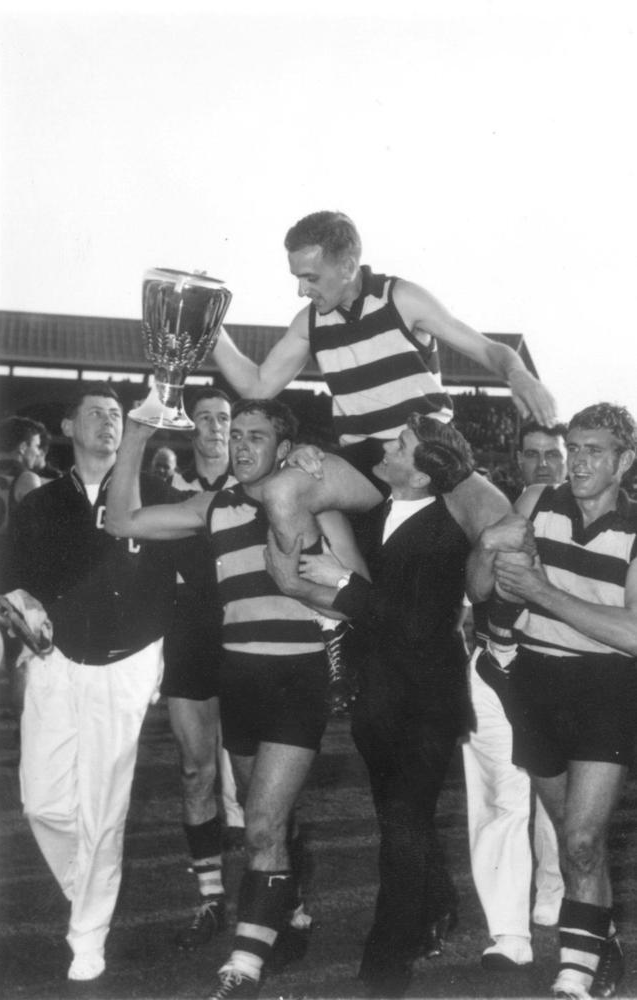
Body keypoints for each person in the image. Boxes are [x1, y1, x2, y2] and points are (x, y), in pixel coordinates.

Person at [105, 398, 368, 1000]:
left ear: (282, 448)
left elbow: (363, 598)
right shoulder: (215, 506)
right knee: (260, 819)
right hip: (239, 681)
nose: (243, 445)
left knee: (263, 826)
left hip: (297, 679)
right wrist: (137, 438)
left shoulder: (313, 502)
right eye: (238, 435)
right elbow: (122, 522)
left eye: (257, 436)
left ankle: (243, 967)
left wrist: (309, 583)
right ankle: (287, 903)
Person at [265, 415, 498, 998]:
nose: (386, 448)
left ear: (422, 473)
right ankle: (435, 905)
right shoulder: (373, 512)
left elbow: (420, 625)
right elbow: (367, 606)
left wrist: (342, 585)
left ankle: (385, 968)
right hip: (378, 700)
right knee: (398, 819)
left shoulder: (447, 530)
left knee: (403, 826)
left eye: (400, 446)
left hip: (428, 704)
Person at [211, 210, 558, 553]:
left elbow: (488, 349)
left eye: (311, 278)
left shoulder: (401, 298)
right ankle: (340, 592)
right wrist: (207, 322)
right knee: (282, 491)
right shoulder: (309, 322)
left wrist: (518, 373)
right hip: (366, 459)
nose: (301, 290)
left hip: (429, 448)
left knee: (506, 536)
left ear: (347, 267)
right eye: (298, 277)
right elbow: (257, 387)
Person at [2, 382, 177, 982]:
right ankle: (89, 890)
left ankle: (89, 935)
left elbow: (182, 584)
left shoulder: (155, 494)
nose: (108, 421)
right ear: (69, 429)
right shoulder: (40, 504)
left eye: (116, 415)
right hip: (53, 660)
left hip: (127, 660)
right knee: (43, 803)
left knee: (104, 807)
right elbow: (10, 585)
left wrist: (161, 658)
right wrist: (23, 614)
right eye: (95, 414)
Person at [468, 402, 637, 1000]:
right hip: (535, 683)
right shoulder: (537, 502)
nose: (581, 460)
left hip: (607, 690)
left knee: (586, 841)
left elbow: (632, 632)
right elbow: (481, 587)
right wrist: (487, 546)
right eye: (576, 448)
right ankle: (601, 936)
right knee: (569, 838)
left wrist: (541, 590)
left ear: (625, 460)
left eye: (595, 450)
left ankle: (574, 976)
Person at [462, 421, 567, 970]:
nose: (544, 465)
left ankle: (553, 894)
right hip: (495, 662)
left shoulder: (598, 520)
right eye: (532, 455)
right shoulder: (492, 512)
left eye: (555, 454)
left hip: (555, 671)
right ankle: (508, 933)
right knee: (502, 799)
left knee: (558, 807)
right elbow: (475, 589)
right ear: (516, 460)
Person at [161, 388, 245, 953]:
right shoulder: (168, 492)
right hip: (190, 640)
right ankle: (211, 897)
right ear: (192, 429)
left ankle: (282, 893)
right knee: (197, 772)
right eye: (208, 419)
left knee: (263, 775)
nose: (217, 428)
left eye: (226, 419)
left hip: (249, 637)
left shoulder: (258, 483)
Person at [0, 416, 47, 593]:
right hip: (10, 574)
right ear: (23, 448)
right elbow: (38, 534)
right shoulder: (27, 479)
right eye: (36, 446)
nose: (38, 453)